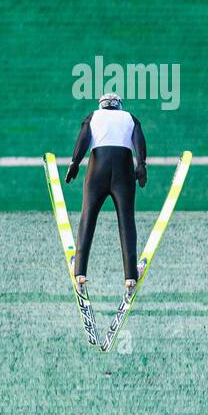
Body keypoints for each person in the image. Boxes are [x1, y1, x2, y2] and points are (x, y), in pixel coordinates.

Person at [65, 93, 147, 292]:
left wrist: (75, 163)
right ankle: (130, 277)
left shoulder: (93, 116)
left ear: (101, 106)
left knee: (88, 216)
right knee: (126, 221)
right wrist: (141, 164)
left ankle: (80, 272)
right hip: (123, 170)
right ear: (119, 106)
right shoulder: (129, 117)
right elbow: (138, 140)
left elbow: (84, 138)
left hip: (97, 169)